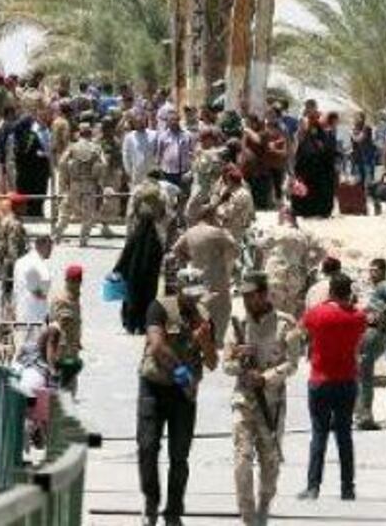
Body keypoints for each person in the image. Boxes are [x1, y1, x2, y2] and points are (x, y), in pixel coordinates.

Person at [137, 283, 218, 526]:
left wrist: (205, 342)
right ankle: (151, 503)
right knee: (147, 447)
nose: (193, 303)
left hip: (184, 396)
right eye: (189, 297)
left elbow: (213, 362)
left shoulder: (204, 317)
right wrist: (181, 371)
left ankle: (173, 512)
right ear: (181, 291)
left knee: (179, 456)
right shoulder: (160, 307)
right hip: (155, 386)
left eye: (197, 298)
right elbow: (157, 345)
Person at [224, 272, 301, 526]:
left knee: (270, 462)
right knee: (242, 458)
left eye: (252, 295)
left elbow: (292, 363)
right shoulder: (238, 322)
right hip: (244, 400)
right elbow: (226, 365)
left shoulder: (286, 324)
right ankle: (248, 517)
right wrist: (238, 358)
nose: (247, 300)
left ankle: (265, 504)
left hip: (272, 404)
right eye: (244, 295)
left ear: (264, 294)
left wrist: (267, 377)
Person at [298, 273, 366, 501]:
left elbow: (303, 330)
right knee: (344, 435)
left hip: (321, 380)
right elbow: (362, 328)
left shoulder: (316, 314)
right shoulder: (358, 317)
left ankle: (313, 486)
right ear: (349, 292)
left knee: (319, 434)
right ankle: (348, 487)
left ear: (330, 291)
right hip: (347, 380)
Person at [117, 171, 173, 334]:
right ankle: (144, 322)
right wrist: (162, 233)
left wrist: (130, 235)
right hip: (154, 241)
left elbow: (129, 215)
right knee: (150, 284)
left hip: (137, 239)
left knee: (133, 282)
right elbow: (167, 215)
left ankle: (130, 321)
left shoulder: (137, 190)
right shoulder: (162, 192)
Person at [169, 217, 239, 348]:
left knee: (200, 306)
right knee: (222, 307)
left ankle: (200, 338)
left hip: (196, 274)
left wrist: (188, 258)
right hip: (217, 275)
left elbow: (176, 249)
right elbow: (235, 249)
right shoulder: (218, 232)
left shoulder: (190, 232)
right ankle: (217, 339)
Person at [354, 258, 386, 430]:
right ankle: (361, 413)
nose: (371, 273)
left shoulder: (384, 285)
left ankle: (364, 416)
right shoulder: (378, 287)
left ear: (383, 271)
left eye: (375, 270)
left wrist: (382, 311)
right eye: (370, 270)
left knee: (364, 374)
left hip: (374, 331)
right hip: (371, 331)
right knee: (361, 373)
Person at [53, 122, 107, 247]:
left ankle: (57, 235)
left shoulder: (73, 147)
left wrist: (65, 180)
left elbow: (62, 163)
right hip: (90, 183)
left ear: (79, 134)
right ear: (90, 133)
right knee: (88, 213)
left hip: (75, 183)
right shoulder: (96, 148)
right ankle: (83, 239)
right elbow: (104, 164)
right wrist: (99, 179)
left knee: (66, 210)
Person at [291, 101, 338, 219]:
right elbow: (298, 145)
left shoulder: (324, 131)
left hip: (321, 167)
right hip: (306, 166)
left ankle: (320, 210)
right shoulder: (302, 128)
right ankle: (304, 210)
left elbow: (327, 149)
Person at [50, 264, 84, 392]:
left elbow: (75, 323)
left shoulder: (75, 298)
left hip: (72, 350)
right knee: (65, 389)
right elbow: (57, 325)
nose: (77, 284)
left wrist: (78, 340)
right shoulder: (62, 300)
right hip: (63, 351)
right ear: (68, 281)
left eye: (78, 281)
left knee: (71, 387)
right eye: (74, 281)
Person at [13, 235, 53, 323]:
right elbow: (38, 291)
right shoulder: (36, 264)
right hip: (35, 315)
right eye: (48, 247)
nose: (51, 251)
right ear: (39, 246)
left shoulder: (21, 261)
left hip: (21, 311)